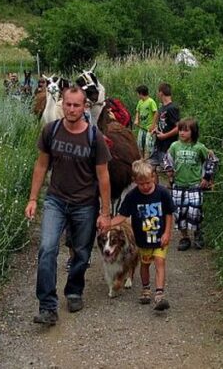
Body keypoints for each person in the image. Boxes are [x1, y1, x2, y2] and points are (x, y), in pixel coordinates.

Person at [25, 86, 113, 326]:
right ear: (61, 104)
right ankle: (47, 306)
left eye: (76, 105)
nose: (72, 109)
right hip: (55, 200)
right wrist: (33, 199)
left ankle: (74, 290)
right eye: (68, 104)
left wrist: (105, 213)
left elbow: (103, 176)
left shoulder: (94, 137)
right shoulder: (51, 131)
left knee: (81, 253)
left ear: (85, 107)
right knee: (47, 249)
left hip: (85, 204)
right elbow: (41, 165)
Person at [110, 160, 174, 311]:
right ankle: (146, 288)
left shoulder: (162, 193)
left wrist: (167, 233)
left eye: (148, 183)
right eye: (141, 184)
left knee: (159, 262)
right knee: (144, 264)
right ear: (134, 181)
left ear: (153, 177)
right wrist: (108, 223)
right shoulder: (132, 196)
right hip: (142, 240)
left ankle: (159, 294)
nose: (145, 186)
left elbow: (169, 214)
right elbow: (122, 215)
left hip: (159, 238)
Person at [164, 118, 218, 251]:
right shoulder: (174, 146)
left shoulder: (199, 147)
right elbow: (167, 159)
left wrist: (206, 177)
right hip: (178, 185)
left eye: (185, 130)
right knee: (179, 213)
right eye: (180, 130)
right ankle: (184, 237)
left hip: (195, 186)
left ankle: (197, 234)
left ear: (193, 132)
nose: (182, 133)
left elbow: (211, 160)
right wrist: (169, 170)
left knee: (195, 211)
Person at [148, 82, 180, 169]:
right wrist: (156, 130)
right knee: (151, 167)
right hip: (158, 145)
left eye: (158, 92)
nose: (158, 94)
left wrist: (165, 135)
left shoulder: (172, 108)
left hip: (167, 147)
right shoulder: (162, 108)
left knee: (167, 171)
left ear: (161, 93)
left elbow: (179, 127)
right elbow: (164, 124)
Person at [133, 85, 158, 159]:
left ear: (141, 93)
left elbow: (156, 113)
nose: (137, 95)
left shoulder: (151, 102)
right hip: (142, 127)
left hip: (149, 128)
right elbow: (138, 111)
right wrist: (137, 119)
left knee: (148, 146)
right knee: (139, 144)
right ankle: (141, 159)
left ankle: (148, 160)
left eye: (138, 93)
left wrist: (153, 125)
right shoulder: (140, 102)